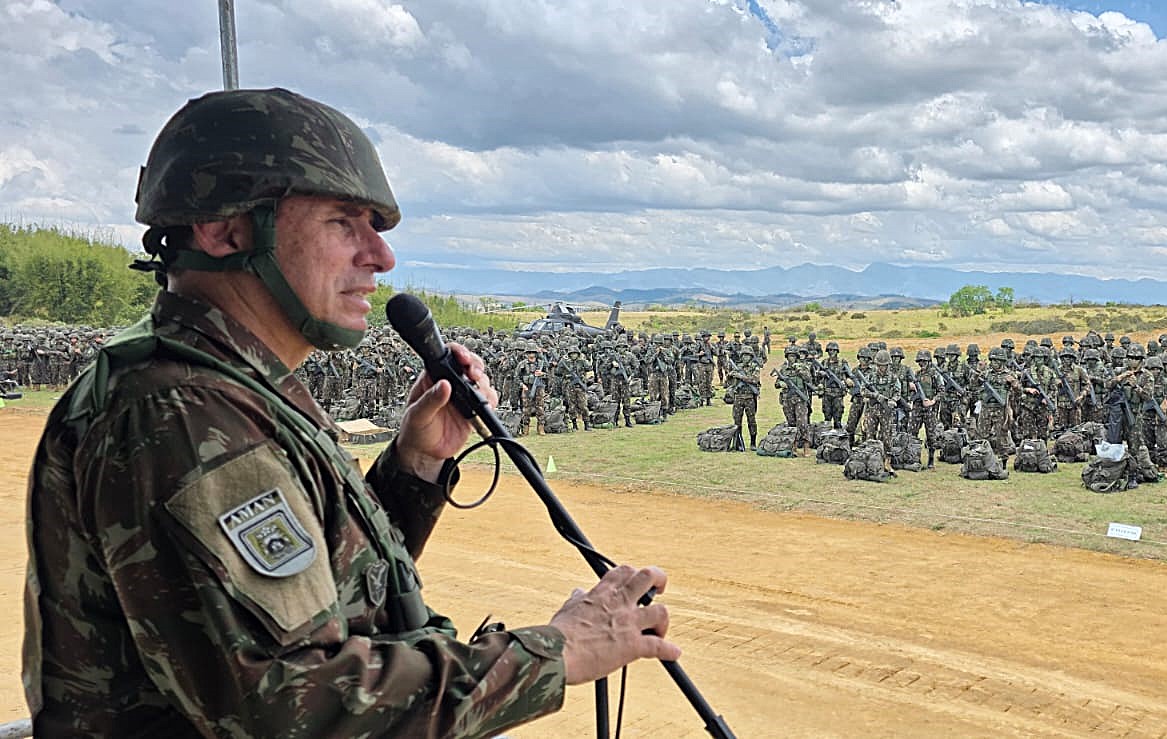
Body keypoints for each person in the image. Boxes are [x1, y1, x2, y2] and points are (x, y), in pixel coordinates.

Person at [23, 88, 678, 736]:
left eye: (377, 227)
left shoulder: (233, 389)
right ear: (225, 229)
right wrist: (554, 652)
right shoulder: (180, 413)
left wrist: (415, 465)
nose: (381, 257)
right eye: (343, 221)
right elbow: (297, 706)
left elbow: (319, 604)